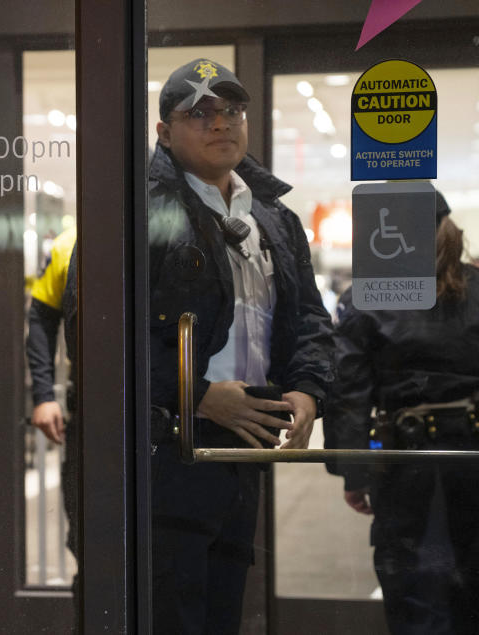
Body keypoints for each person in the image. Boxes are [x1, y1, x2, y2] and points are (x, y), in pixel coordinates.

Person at [148, 59, 335, 633]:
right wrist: (197, 396)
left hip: (245, 444)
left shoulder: (274, 217)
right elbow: (101, 334)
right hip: (166, 449)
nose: (219, 124)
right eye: (198, 113)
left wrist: (307, 390)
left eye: (231, 111)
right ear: (164, 132)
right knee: (171, 609)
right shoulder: (139, 212)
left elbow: (309, 318)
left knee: (224, 608)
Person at [323, 192, 479, 635]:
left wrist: (353, 470)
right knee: (470, 581)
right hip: (474, 449)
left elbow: (348, 390)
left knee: (406, 583)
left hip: (401, 455)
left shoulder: (367, 297)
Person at [25, 225, 80, 601]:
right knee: (85, 534)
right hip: (92, 407)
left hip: (167, 405)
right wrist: (44, 395)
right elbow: (41, 319)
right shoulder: (70, 242)